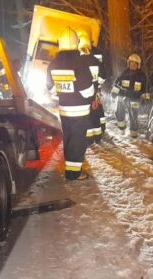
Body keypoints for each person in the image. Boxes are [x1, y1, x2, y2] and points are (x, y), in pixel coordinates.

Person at [46, 27, 95, 180]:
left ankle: (70, 169)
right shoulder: (80, 62)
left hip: (64, 109)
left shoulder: (53, 64)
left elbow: (52, 89)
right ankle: (74, 174)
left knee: (68, 139)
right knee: (78, 141)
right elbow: (88, 90)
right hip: (80, 110)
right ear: (76, 42)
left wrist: (65, 93)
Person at [78, 31, 107, 145]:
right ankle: (98, 136)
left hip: (82, 94)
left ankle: (88, 139)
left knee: (86, 115)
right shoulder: (95, 60)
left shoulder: (77, 61)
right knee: (95, 114)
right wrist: (97, 85)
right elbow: (103, 76)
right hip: (94, 92)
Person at [111, 53, 150, 137]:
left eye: (134, 63)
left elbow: (146, 89)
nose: (132, 65)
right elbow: (117, 83)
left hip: (135, 98)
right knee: (119, 109)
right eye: (131, 63)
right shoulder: (124, 73)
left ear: (138, 65)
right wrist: (114, 92)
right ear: (129, 63)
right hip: (124, 96)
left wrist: (145, 99)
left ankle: (133, 134)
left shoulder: (142, 75)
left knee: (133, 116)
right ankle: (122, 128)